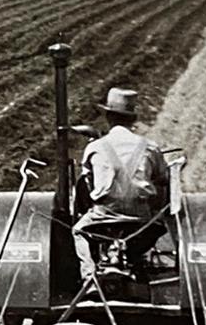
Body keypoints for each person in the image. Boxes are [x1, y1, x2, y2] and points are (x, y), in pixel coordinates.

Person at [72, 87, 171, 279]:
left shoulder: (95, 147)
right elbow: (162, 179)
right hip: (141, 218)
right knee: (154, 228)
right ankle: (133, 261)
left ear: (108, 117)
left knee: (78, 230)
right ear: (132, 120)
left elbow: (88, 183)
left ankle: (89, 277)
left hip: (105, 215)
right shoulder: (150, 147)